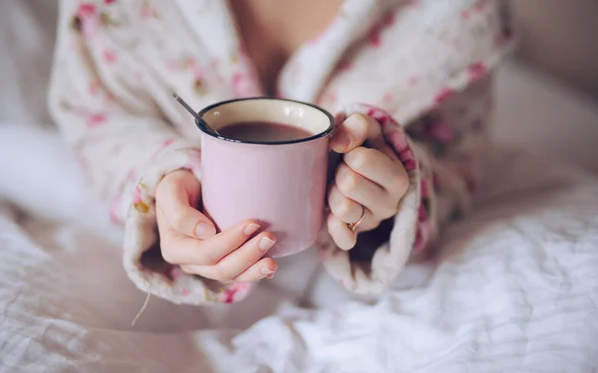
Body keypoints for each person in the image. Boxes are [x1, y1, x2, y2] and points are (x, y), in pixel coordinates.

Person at [49, 0, 512, 305]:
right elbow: (99, 117)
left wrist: (398, 190)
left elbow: (455, 150)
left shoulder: (450, 13)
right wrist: (164, 185)